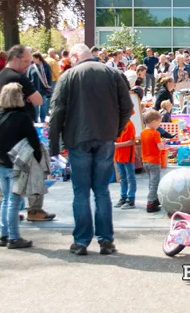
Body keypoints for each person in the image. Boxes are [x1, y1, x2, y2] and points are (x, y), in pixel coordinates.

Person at [49, 44, 133, 256]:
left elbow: (57, 111)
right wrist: (116, 130)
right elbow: (127, 108)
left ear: (76, 56)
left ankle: (81, 241)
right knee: (102, 190)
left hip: (78, 138)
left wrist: (54, 146)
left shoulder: (69, 76)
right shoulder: (113, 73)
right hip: (105, 137)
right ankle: (106, 240)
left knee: (81, 191)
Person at [0, 84, 41, 249]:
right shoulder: (22, 117)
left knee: (5, 199)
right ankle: (13, 236)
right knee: (14, 201)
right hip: (17, 162)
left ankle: (4, 234)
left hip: (2, 160)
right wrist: (39, 159)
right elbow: (33, 140)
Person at [140, 110, 167, 213]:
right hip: (154, 161)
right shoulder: (155, 133)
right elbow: (159, 147)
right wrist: (163, 143)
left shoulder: (142, 132)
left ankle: (155, 200)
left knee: (151, 182)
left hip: (145, 160)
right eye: (158, 122)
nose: (159, 125)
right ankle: (150, 203)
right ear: (152, 121)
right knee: (155, 183)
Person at [113, 120, 137, 209]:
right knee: (122, 178)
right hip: (118, 156)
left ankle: (131, 199)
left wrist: (118, 145)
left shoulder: (129, 124)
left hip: (127, 156)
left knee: (130, 178)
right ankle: (123, 197)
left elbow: (132, 141)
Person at [30, 52, 52, 123]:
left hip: (43, 89)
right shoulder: (31, 67)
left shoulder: (46, 66)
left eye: (33, 58)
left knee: (43, 105)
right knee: (35, 105)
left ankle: (42, 120)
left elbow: (49, 76)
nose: (32, 60)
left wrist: (48, 85)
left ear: (38, 58)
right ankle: (35, 119)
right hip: (34, 89)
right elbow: (28, 77)